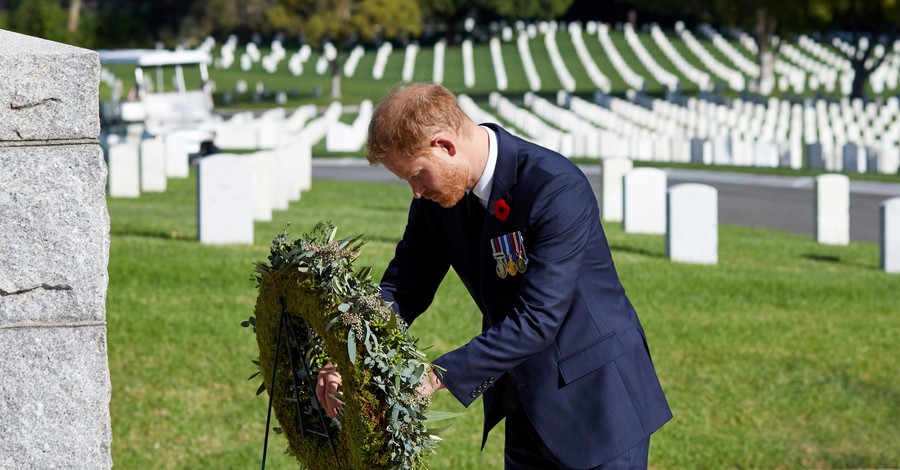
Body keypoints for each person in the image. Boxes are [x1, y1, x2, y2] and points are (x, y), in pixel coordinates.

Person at [316, 83, 671, 469]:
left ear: (445, 145)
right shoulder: (436, 200)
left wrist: (435, 376)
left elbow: (538, 318)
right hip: (525, 401)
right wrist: (350, 350)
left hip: (599, 402)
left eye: (417, 175)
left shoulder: (554, 188)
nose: (415, 192)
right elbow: (405, 285)